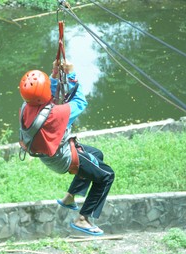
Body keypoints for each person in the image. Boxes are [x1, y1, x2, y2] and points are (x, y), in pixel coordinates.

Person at [18, 60, 115, 236]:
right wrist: (71, 75)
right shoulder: (56, 114)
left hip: (49, 156)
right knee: (107, 176)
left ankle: (70, 197)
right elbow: (80, 101)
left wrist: (54, 76)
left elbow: (47, 97)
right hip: (65, 158)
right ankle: (83, 218)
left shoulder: (26, 107)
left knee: (97, 154)